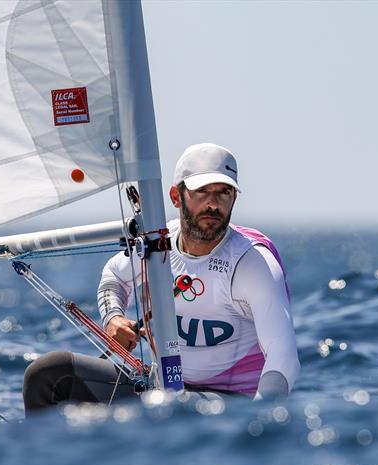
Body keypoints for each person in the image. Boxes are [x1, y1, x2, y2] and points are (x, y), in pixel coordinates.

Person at [23, 143, 300, 414]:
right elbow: (113, 277)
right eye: (202, 192)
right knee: (48, 375)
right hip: (160, 391)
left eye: (224, 192)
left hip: (226, 409)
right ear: (176, 197)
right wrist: (113, 318)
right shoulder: (156, 244)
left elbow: (283, 357)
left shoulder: (252, 262)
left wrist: (257, 420)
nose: (213, 204)